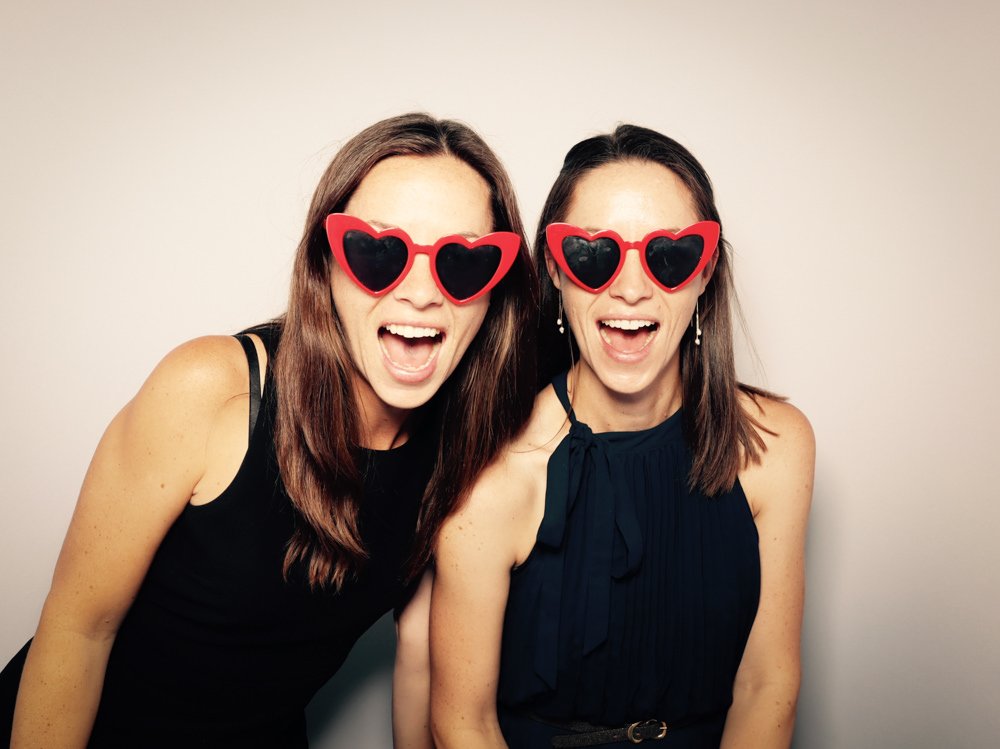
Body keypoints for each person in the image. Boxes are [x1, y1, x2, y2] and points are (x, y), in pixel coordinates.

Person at [0, 112, 537, 748]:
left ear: (496, 286)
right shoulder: (212, 389)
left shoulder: (468, 442)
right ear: (325, 262)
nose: (421, 293)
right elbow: (79, 629)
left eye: (464, 262)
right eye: (377, 251)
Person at [430, 125, 815, 748]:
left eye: (668, 255)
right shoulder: (492, 473)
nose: (631, 288)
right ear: (554, 270)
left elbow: (767, 685)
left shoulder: (776, 446)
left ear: (706, 270)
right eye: (593, 253)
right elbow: (461, 723)